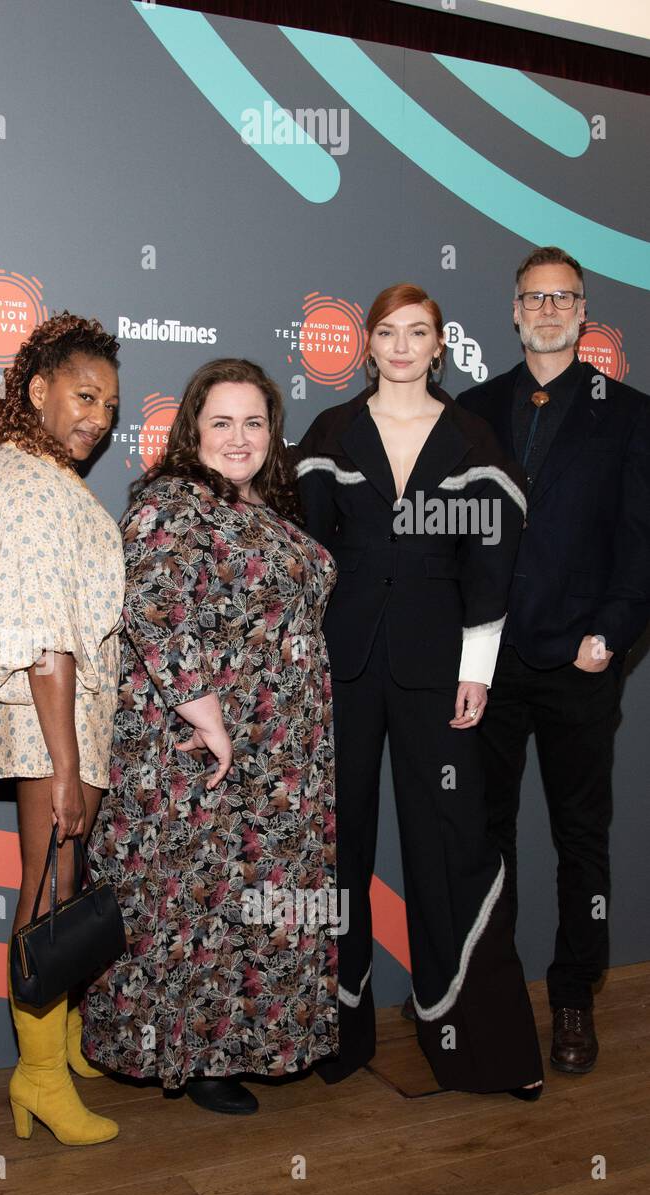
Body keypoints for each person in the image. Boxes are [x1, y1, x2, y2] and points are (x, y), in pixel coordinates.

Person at [296, 283, 543, 1097]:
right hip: (344, 670)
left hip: (442, 675)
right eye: (387, 332)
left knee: (454, 845)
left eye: (419, 333)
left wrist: (477, 673)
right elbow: (302, 559)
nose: (402, 346)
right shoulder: (332, 433)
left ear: (441, 345)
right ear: (366, 344)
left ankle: (477, 1042)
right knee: (338, 848)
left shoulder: (474, 439)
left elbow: (492, 568)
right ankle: (331, 1035)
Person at [83, 359, 338, 1115]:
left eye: (254, 422)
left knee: (264, 905)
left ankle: (260, 1042)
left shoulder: (263, 508)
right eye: (221, 422)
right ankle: (198, 1058)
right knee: (204, 907)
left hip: (283, 758)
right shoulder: (174, 504)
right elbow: (153, 607)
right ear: (193, 429)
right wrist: (208, 716)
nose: (239, 436)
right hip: (208, 755)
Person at [458, 247, 650, 1076]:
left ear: (584, 312)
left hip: (580, 663)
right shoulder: (470, 410)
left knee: (581, 840)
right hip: (489, 665)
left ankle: (574, 996)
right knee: (484, 835)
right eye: (533, 297)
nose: (546, 309)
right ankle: (488, 992)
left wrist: (609, 633)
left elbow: (642, 544)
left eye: (562, 296)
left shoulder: (631, 415)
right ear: (512, 310)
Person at [0, 313, 125, 1144]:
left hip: (70, 720)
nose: (97, 416)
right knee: (45, 886)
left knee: (64, 885)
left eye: (109, 404)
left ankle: (60, 1046)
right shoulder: (25, 479)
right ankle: (35, 1075)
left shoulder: (51, 474)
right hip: (46, 719)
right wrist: (64, 764)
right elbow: (41, 638)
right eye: (83, 394)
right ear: (37, 389)